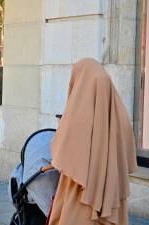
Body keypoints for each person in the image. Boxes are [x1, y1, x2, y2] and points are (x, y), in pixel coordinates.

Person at [48, 58, 138, 225]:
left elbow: (61, 153)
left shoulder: (75, 118)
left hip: (79, 196)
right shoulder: (122, 117)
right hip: (112, 197)